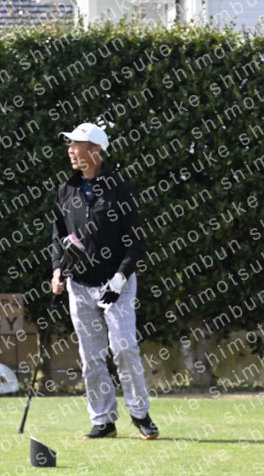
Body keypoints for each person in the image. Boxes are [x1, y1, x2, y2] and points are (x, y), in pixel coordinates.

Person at [50, 122, 159, 439]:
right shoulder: (65, 190)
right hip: (79, 285)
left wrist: (120, 279)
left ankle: (140, 414)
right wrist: (57, 270)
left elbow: (136, 242)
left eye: (77, 145)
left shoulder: (121, 189)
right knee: (91, 358)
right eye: (70, 145)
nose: (71, 150)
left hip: (117, 284)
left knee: (124, 349)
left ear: (96, 151)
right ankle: (103, 420)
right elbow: (58, 236)